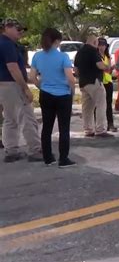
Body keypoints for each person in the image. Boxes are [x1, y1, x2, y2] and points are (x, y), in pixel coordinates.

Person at [29, 28, 76, 167]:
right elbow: (70, 78)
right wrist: (72, 91)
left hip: (46, 94)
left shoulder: (37, 56)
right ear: (57, 41)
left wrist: (40, 86)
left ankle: (48, 158)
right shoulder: (63, 57)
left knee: (47, 127)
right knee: (64, 128)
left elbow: (32, 76)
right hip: (63, 95)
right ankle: (63, 159)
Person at [0, 18, 42, 163]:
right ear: (7, 27)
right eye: (18, 29)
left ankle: (11, 150)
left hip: (3, 86)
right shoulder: (7, 45)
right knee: (27, 117)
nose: (21, 32)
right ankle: (35, 150)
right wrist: (25, 88)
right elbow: (13, 67)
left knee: (10, 119)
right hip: (12, 85)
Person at [74, 35, 113, 138]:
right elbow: (100, 65)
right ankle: (100, 130)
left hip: (83, 82)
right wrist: (108, 66)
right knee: (101, 104)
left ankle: (88, 130)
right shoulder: (93, 51)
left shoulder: (79, 52)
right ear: (95, 42)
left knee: (87, 107)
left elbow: (76, 70)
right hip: (94, 81)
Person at [98, 38, 117, 132]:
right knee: (98, 105)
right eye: (100, 45)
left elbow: (108, 69)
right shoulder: (96, 56)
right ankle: (99, 125)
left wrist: (110, 68)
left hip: (108, 81)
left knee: (108, 104)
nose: (102, 47)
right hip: (99, 82)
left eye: (103, 45)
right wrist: (106, 68)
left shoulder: (107, 56)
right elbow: (102, 68)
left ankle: (110, 124)